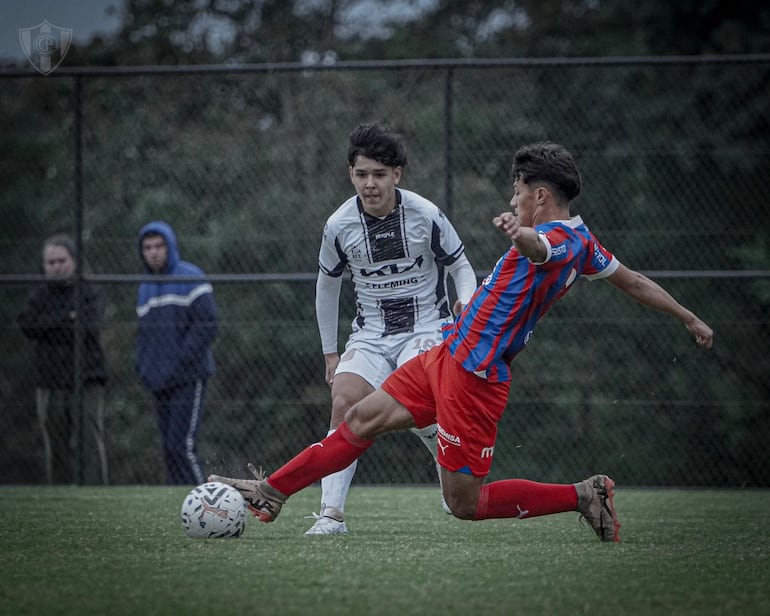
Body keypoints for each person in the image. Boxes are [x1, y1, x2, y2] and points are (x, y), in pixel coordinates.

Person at [210, 141, 714, 542]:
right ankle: (271, 491)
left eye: (517, 189)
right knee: (359, 417)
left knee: (463, 505)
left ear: (539, 195)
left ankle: (583, 495)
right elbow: (636, 282)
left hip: (474, 377)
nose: (512, 198)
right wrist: (688, 315)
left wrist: (520, 235)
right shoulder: (588, 245)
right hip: (446, 356)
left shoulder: (560, 241)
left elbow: (540, 248)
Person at [306, 122, 478, 534]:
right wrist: (330, 351)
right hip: (370, 333)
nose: (370, 184)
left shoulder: (426, 214)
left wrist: (466, 307)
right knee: (344, 401)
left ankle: (447, 475)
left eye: (379, 174)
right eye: (362, 174)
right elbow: (327, 286)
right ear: (351, 174)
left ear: (397, 174)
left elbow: (460, 265)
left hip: (426, 326)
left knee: (420, 407)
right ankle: (331, 515)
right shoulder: (339, 225)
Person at [18, 234, 108, 485]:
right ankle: (60, 490)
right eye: (50, 262)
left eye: (61, 260)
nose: (56, 267)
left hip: (87, 377)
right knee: (55, 441)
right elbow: (27, 325)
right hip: (49, 379)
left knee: (89, 440)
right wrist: (67, 319)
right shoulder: (38, 295)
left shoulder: (89, 291)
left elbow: (88, 325)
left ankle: (96, 492)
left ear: (74, 261)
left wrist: (50, 325)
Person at [136, 221, 218, 485]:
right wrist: (144, 367)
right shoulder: (144, 288)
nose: (153, 252)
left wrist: (180, 361)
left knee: (182, 445)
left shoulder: (190, 276)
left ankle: (204, 501)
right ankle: (177, 500)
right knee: (168, 449)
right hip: (159, 381)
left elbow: (207, 325)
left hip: (187, 377)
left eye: (159, 245)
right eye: (147, 247)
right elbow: (143, 336)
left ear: (169, 246)